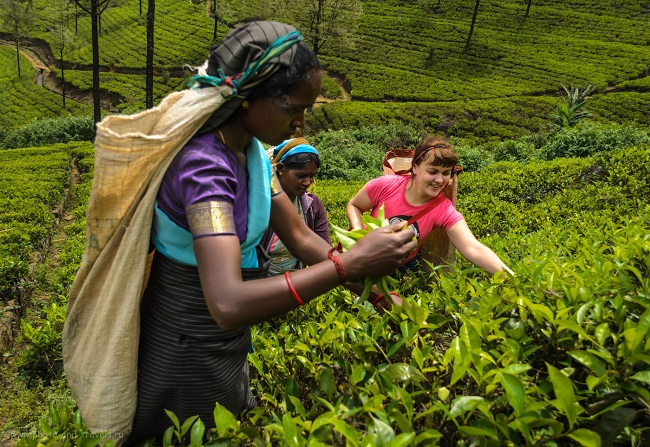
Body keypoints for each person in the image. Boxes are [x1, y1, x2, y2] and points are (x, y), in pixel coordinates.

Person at [127, 21, 416, 445]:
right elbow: (226, 302)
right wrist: (346, 265)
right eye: (292, 109)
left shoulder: (252, 153)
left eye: (306, 111)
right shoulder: (205, 169)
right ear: (247, 97)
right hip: (187, 336)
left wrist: (372, 289)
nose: (299, 123)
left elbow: (300, 237)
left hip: (225, 335)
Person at [347, 136, 513, 276]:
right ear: (416, 167)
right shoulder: (386, 186)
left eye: (446, 173)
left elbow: (472, 247)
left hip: (404, 267)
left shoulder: (443, 209)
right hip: (366, 256)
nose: (440, 180)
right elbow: (354, 205)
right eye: (432, 172)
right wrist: (358, 233)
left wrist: (512, 278)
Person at [261, 137, 331, 275]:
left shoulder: (313, 205)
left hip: (296, 283)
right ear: (281, 169)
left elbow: (324, 249)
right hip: (256, 284)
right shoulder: (261, 203)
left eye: (312, 176)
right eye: (301, 176)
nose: (308, 182)